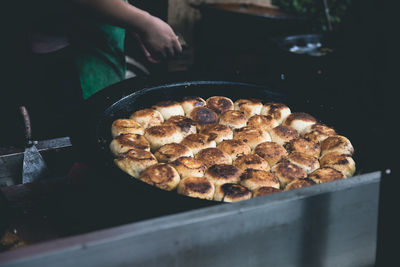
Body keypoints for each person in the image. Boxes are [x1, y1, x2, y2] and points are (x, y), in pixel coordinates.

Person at [4, 0, 182, 143]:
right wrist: (144, 23)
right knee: (78, 143)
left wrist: (129, 20)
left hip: (90, 49)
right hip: (66, 64)